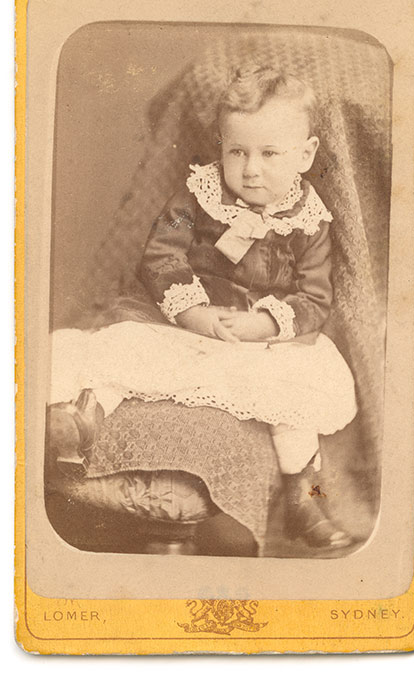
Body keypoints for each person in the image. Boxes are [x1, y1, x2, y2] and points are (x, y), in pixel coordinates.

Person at [49, 66, 357, 549]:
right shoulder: (198, 195)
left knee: (296, 402)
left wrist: (264, 324)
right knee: (122, 349)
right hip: (185, 326)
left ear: (306, 153)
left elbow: (315, 298)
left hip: (260, 343)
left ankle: (305, 497)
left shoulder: (309, 220)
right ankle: (82, 420)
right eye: (237, 151)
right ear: (221, 146)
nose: (250, 169)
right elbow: (162, 256)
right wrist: (194, 312)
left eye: (269, 153)